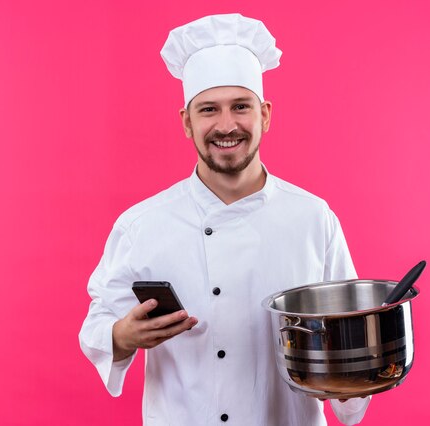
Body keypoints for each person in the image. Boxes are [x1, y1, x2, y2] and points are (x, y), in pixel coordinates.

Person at [79, 13, 371, 425]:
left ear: (265, 114)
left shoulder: (312, 219)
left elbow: (349, 343)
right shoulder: (141, 225)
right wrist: (122, 337)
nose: (226, 125)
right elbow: (98, 323)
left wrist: (359, 364)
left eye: (240, 107)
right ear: (187, 122)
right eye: (208, 110)